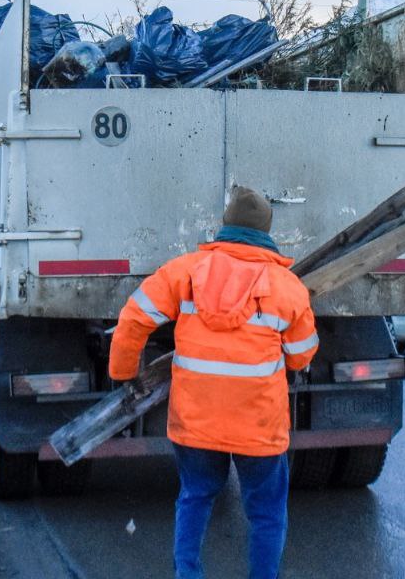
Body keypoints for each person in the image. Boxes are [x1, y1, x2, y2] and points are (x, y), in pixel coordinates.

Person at [109, 186, 319, 579]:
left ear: (226, 225)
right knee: (267, 513)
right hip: (259, 426)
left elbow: (133, 318)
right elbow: (302, 354)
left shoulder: (184, 271)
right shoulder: (287, 286)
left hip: (195, 422)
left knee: (195, 496)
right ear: (266, 231)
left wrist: (124, 373)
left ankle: (187, 573)